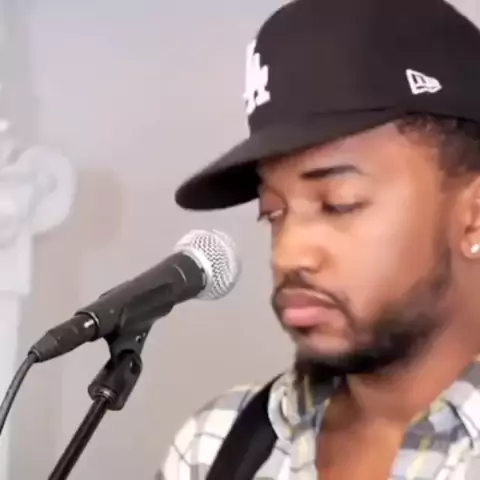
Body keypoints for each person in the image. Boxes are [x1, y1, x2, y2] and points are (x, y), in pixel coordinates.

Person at [158, 0, 480, 478]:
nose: (289, 254)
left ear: (474, 218)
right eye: (273, 213)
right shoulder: (214, 444)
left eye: (338, 203)